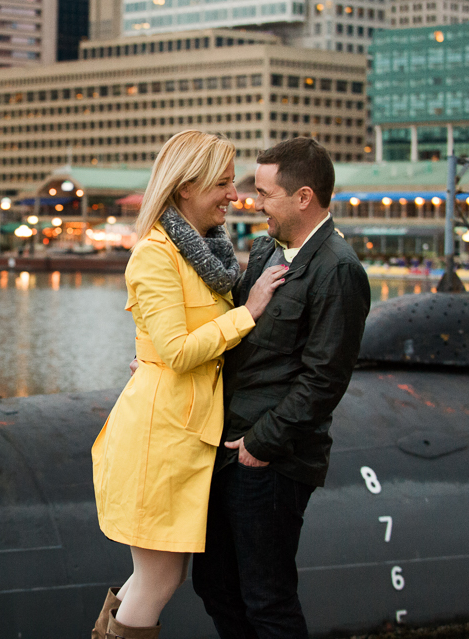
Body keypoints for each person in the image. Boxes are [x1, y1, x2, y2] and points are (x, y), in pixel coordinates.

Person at [91, 130, 287, 639]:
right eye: (222, 184)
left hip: (183, 432)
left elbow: (172, 345)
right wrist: (248, 312)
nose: (234, 194)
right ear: (185, 188)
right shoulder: (156, 254)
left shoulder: (206, 255)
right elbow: (177, 350)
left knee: (152, 577)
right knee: (159, 579)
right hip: (161, 436)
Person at [191, 137, 371, 639]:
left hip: (271, 458)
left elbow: (325, 378)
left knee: (267, 599)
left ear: (303, 197)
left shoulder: (338, 270)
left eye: (266, 193)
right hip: (228, 446)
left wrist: (260, 445)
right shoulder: (267, 248)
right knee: (215, 585)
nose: (254, 201)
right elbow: (237, 326)